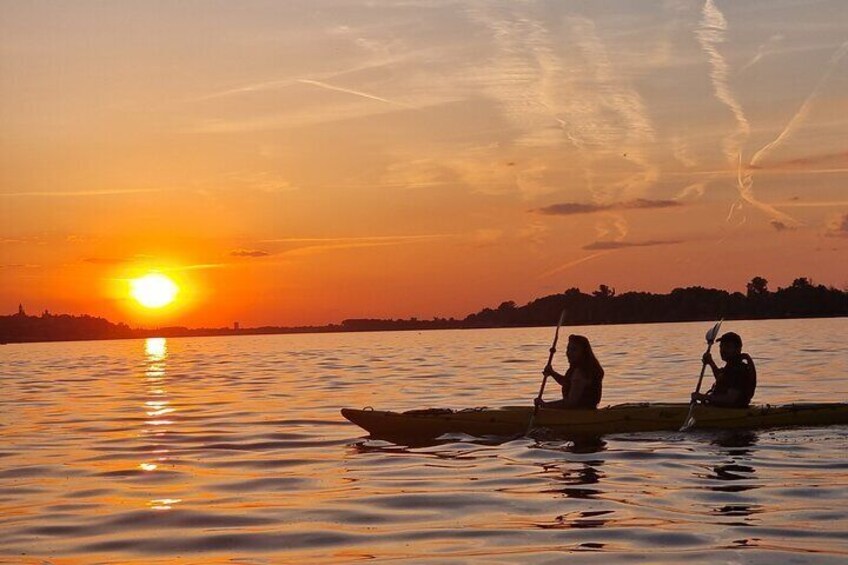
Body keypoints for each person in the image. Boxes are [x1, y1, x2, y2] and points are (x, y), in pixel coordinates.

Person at [535, 334, 604, 409]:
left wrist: (545, 405)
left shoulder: (580, 372)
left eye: (574, 350)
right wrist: (552, 373)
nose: (569, 353)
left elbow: (571, 402)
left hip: (581, 414)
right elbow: (567, 383)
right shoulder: (578, 368)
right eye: (568, 349)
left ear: (583, 352)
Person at [691, 331, 756, 408]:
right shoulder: (731, 366)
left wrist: (704, 397)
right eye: (721, 346)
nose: (723, 350)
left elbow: (730, 399)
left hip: (732, 412)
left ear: (738, 349)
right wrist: (711, 362)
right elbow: (721, 379)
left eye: (728, 347)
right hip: (719, 409)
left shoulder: (739, 370)